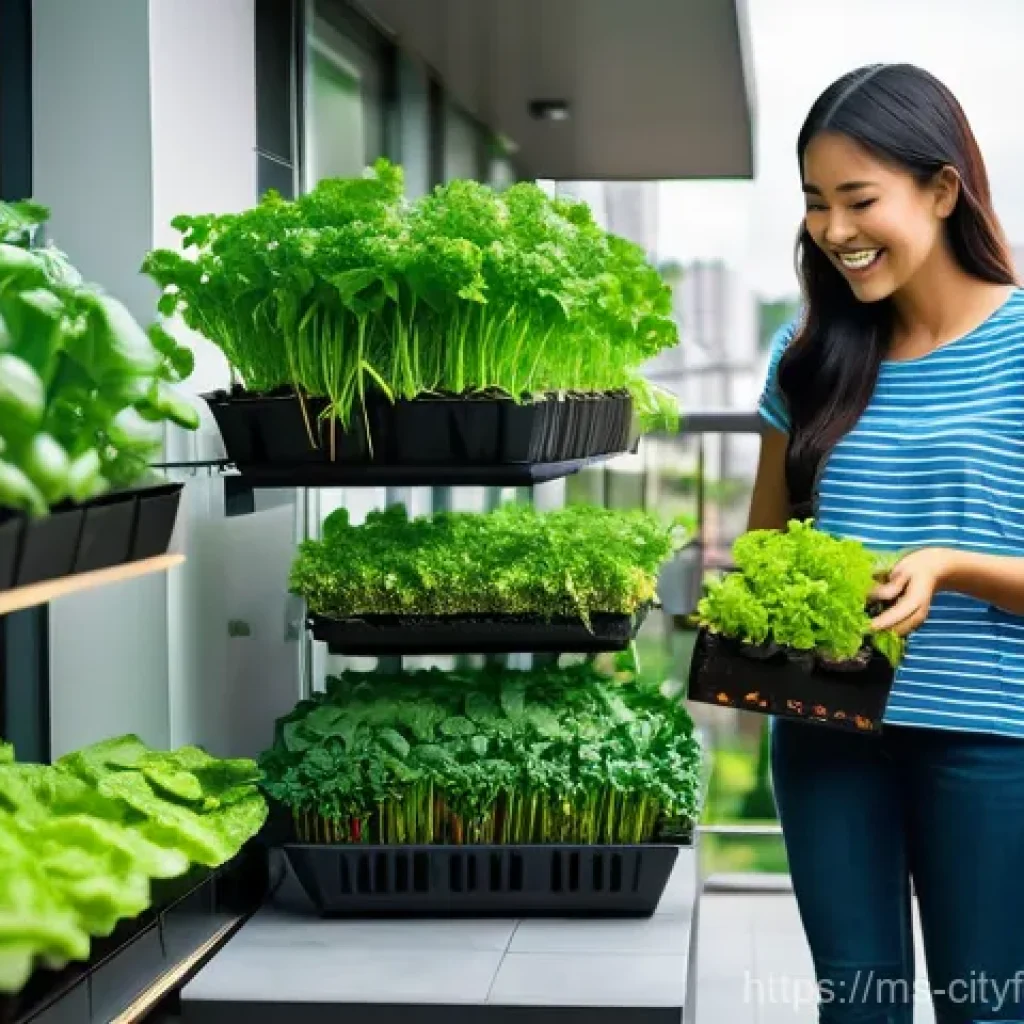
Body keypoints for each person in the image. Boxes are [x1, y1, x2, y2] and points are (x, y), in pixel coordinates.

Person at [750, 63, 1024, 1023]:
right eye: (817, 204)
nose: (834, 231)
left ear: (943, 190)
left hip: (991, 738)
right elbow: (761, 548)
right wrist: (774, 592)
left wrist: (947, 565)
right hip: (827, 729)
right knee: (857, 1009)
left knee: (988, 1010)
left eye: (859, 199)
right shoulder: (812, 353)